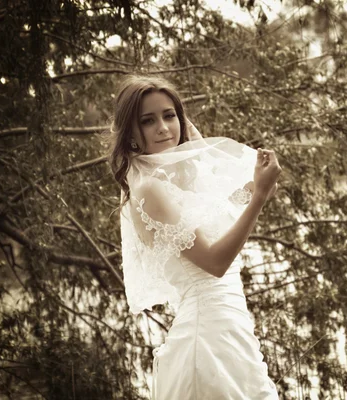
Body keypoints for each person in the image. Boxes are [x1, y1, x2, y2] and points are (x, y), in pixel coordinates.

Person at [106, 74, 281, 399]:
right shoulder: (149, 191)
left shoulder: (180, 184)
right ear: (130, 132)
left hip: (232, 332)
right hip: (207, 340)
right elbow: (214, 262)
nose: (163, 127)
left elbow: (236, 199)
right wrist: (259, 197)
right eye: (148, 121)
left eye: (169, 115)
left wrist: (259, 184)